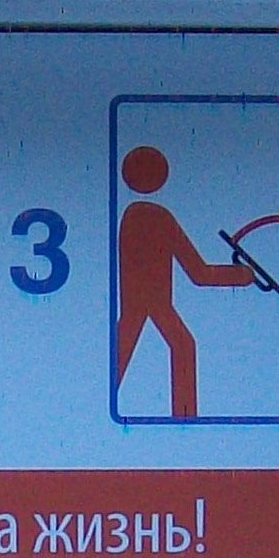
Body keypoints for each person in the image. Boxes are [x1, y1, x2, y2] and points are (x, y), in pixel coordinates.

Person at [113, 143, 254, 419]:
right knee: (180, 345)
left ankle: (185, 418)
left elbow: (197, 272)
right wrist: (242, 275)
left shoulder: (132, 216)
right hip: (150, 302)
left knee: (175, 345)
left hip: (144, 303)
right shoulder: (156, 217)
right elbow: (199, 273)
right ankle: (185, 418)